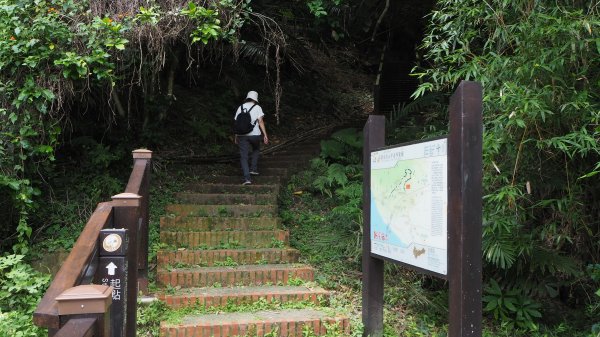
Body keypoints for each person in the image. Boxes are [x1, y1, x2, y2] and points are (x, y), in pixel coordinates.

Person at [234, 91, 269, 185]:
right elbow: (260, 121)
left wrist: (236, 135)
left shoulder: (240, 107)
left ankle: (247, 179)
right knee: (256, 149)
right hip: (255, 135)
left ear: (247, 97)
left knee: (243, 157)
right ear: (255, 99)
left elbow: (237, 123)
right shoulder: (257, 107)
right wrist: (265, 134)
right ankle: (253, 169)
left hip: (242, 135)